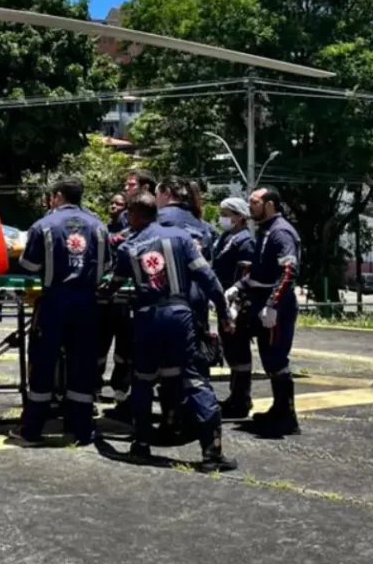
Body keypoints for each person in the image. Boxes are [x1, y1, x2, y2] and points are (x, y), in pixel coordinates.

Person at [103, 191, 237, 471]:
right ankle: (212, 453)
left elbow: (114, 284)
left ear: (136, 215)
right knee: (195, 378)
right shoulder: (180, 238)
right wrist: (223, 313)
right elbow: (208, 278)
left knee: (142, 380)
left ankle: (140, 444)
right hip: (180, 316)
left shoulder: (130, 246)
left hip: (146, 318)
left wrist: (97, 295)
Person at [15, 178, 110, 445]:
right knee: (83, 364)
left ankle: (32, 429)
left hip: (54, 301)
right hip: (87, 304)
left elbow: (29, 265)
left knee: (43, 362)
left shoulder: (43, 226)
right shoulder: (98, 226)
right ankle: (82, 429)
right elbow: (105, 267)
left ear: (57, 196)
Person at [226, 185, 302, 434]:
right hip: (259, 299)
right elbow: (259, 270)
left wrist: (273, 305)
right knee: (266, 356)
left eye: (254, 202)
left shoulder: (281, 233)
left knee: (276, 358)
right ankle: (278, 409)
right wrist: (238, 286)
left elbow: (288, 271)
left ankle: (287, 417)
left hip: (275, 304)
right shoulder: (265, 231)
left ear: (269, 204)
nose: (250, 206)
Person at [211, 196, 258, 417]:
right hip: (223, 299)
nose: (222, 219)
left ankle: (241, 399)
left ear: (240, 217)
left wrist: (236, 306)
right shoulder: (226, 238)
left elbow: (246, 276)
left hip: (236, 302)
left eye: (226, 215)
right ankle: (235, 396)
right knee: (230, 348)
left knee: (238, 350)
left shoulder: (245, 241)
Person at [97, 194, 132, 411]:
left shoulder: (132, 233)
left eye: (119, 204)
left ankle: (121, 390)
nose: (113, 206)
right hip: (105, 296)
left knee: (125, 348)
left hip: (126, 297)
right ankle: (95, 387)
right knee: (99, 344)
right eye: (111, 202)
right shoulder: (103, 229)